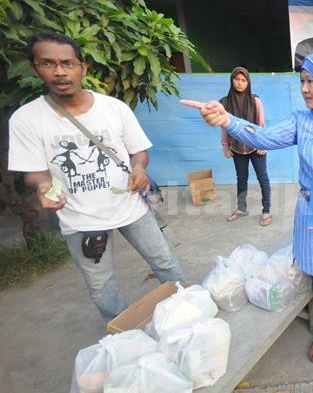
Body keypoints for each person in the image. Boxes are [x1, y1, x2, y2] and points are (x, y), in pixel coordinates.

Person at [181, 52, 313, 363]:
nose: (305, 88)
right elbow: (264, 137)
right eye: (302, 81)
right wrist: (227, 120)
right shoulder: (303, 121)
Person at [8, 31, 186, 321]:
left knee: (165, 262)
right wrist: (42, 185)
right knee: (101, 286)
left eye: (67, 63)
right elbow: (34, 171)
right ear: (34, 68)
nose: (60, 72)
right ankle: (123, 333)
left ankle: (189, 310)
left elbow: (138, 152)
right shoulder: (26, 119)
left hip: (131, 207)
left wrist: (139, 169)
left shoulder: (114, 109)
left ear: (83, 67)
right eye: (48, 64)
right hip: (81, 220)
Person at [220, 67, 272, 226]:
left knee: (263, 178)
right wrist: (225, 146)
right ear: (232, 80)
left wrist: (263, 144)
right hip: (237, 148)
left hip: (256, 147)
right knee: (241, 179)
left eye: (244, 80)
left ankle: (266, 211)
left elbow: (261, 124)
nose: (240, 83)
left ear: (248, 82)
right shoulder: (225, 102)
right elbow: (223, 126)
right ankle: (242, 208)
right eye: (237, 79)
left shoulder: (255, 100)